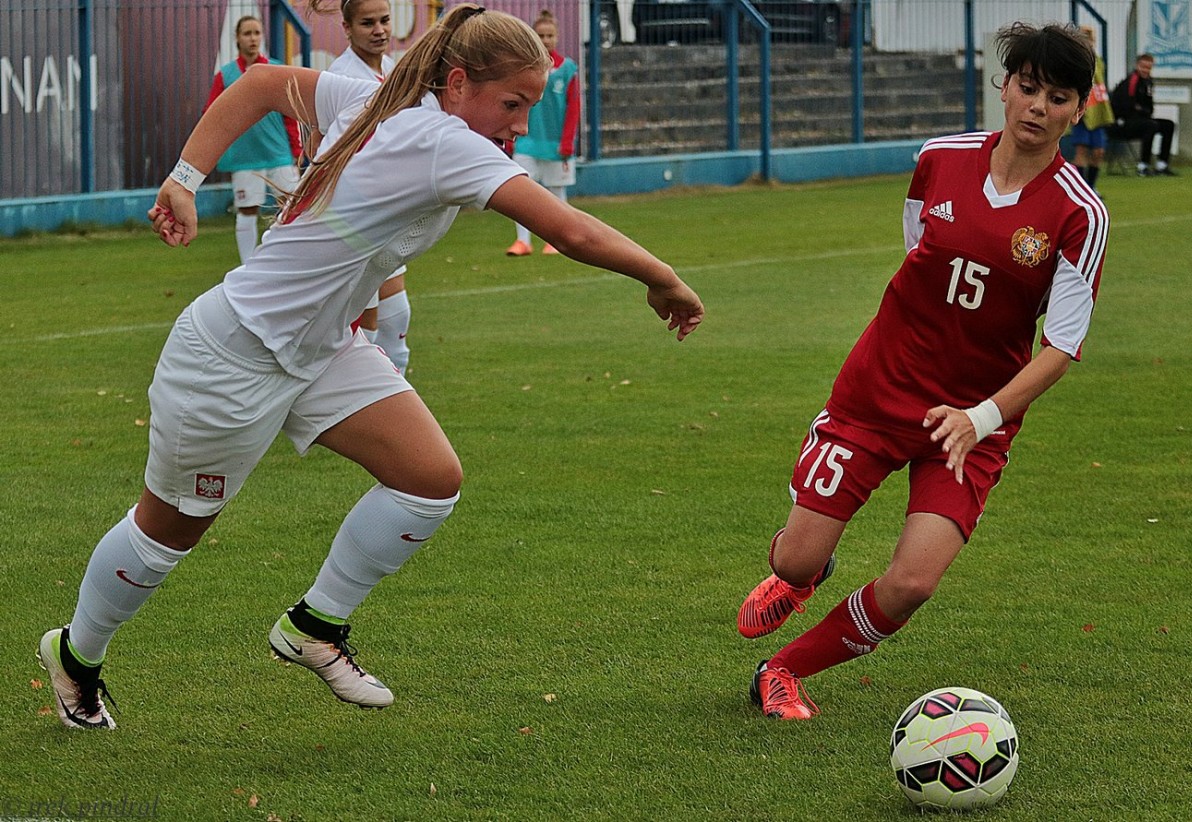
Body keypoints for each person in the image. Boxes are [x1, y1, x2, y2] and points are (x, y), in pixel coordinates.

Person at [37, 3, 704, 730]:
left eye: (529, 107)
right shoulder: (442, 138)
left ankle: (314, 628)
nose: (518, 124)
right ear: (457, 84)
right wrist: (662, 277)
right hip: (234, 354)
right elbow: (570, 229)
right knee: (168, 533)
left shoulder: (381, 100)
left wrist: (186, 178)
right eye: (512, 104)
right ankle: (76, 655)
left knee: (429, 480)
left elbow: (261, 86)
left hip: (321, 347)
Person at [736, 22, 1108, 721]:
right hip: (877, 393)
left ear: (1078, 108)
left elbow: (1060, 345)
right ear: (1005, 86)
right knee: (792, 559)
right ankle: (803, 574)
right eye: (1027, 87)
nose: (1036, 107)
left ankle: (782, 670)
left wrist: (981, 417)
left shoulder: (1079, 214)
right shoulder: (939, 157)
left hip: (972, 422)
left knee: (912, 582)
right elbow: (918, 250)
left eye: (1056, 97)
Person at [326, 0, 412, 373]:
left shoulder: (393, 70)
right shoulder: (341, 76)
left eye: (384, 20)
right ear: (346, 28)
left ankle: (399, 413)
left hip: (388, 212)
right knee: (368, 331)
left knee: (397, 320)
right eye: (367, 23)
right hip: (354, 216)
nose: (379, 30)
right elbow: (327, 150)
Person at [204, 15, 304, 263]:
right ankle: (247, 265)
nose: (253, 38)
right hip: (245, 157)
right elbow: (212, 115)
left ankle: (290, 259)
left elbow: (290, 113)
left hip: (279, 152)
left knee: (293, 207)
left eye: (257, 33)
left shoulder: (276, 69)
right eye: (247, 33)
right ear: (237, 38)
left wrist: (296, 149)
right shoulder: (225, 76)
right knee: (247, 210)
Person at [506, 9, 580, 257]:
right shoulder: (525, 69)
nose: (546, 40)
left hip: (556, 143)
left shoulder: (568, 69)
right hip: (527, 142)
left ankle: (556, 241)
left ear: (557, 37)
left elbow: (574, 107)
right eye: (541, 35)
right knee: (521, 190)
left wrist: (568, 141)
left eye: (550, 35)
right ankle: (522, 241)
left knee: (557, 194)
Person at [1110, 53, 1177, 177]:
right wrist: (1140, 111)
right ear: (1137, 65)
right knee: (1150, 125)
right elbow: (1125, 106)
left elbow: (1148, 107)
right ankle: (1143, 165)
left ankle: (1162, 164)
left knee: (1169, 125)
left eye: (1148, 68)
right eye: (1143, 67)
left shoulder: (1148, 82)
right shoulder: (1131, 81)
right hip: (1122, 124)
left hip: (1142, 119)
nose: (1146, 70)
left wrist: (1142, 110)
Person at [1070, 26, 1114, 191]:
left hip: (1098, 111)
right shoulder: (1075, 61)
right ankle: (1081, 189)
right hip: (1082, 111)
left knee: (1098, 152)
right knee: (1081, 151)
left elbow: (1100, 83)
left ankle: (1091, 186)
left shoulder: (1098, 60)